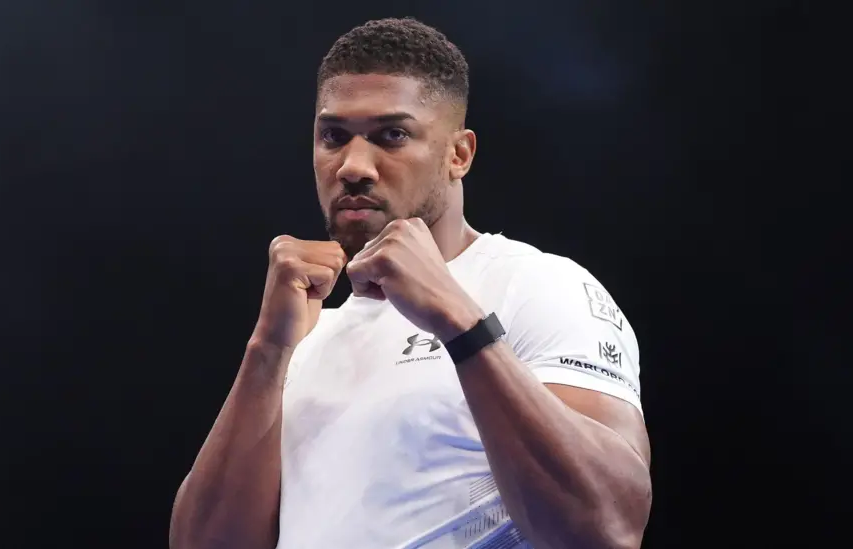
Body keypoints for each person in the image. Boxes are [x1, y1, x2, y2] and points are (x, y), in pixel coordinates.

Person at [170, 17, 652, 549]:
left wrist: (461, 323)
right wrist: (268, 350)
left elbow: (608, 529)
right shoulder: (306, 336)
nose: (353, 166)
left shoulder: (538, 286)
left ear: (458, 155)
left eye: (391, 136)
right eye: (333, 137)